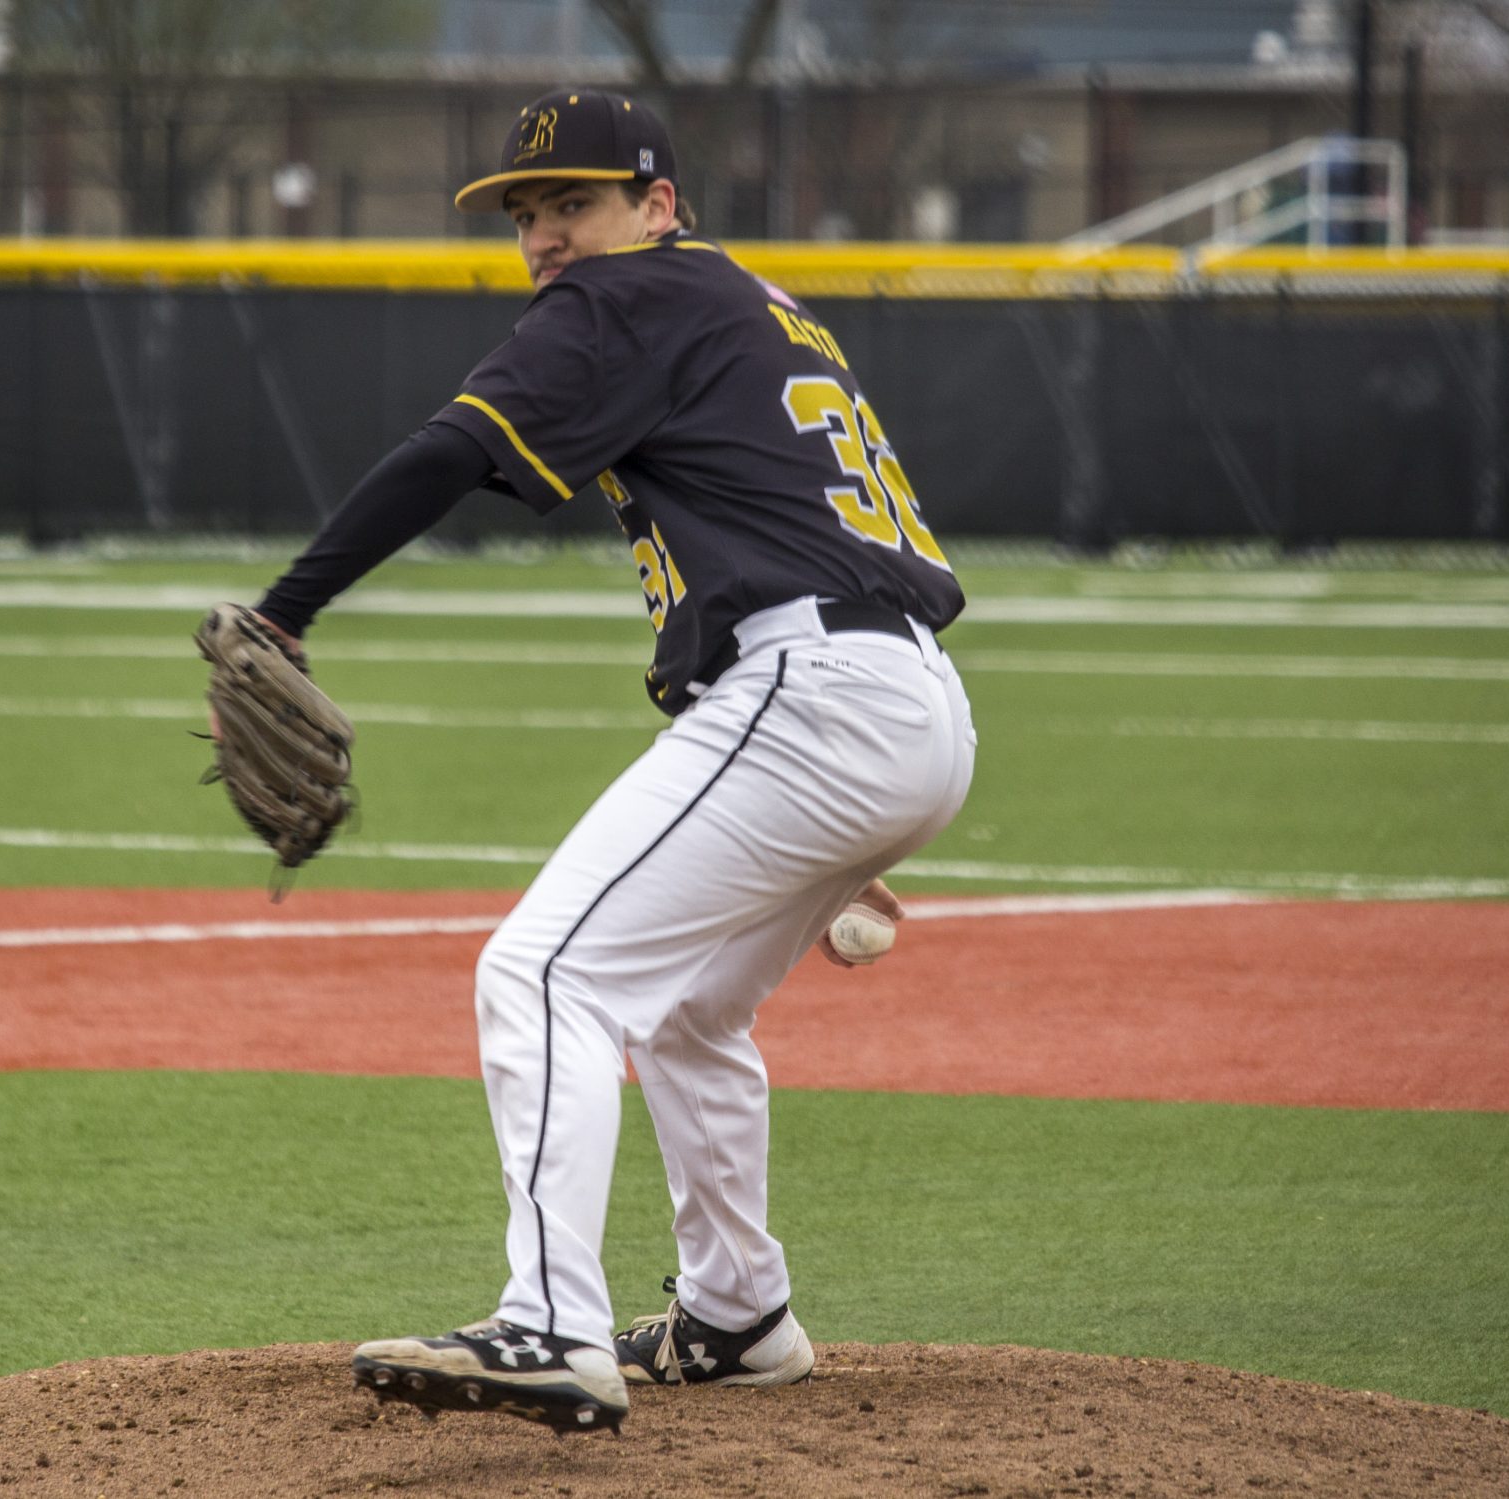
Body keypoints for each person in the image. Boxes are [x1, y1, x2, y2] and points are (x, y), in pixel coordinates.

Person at [249, 87, 977, 1434]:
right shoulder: (751, 302)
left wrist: (290, 605)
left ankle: (548, 1325)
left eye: (572, 203)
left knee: (540, 975)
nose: (544, 238)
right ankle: (739, 1310)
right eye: (526, 212)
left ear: (658, 206)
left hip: (814, 695)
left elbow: (451, 450)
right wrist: (842, 831)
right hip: (903, 703)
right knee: (692, 1009)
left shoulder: (627, 297)